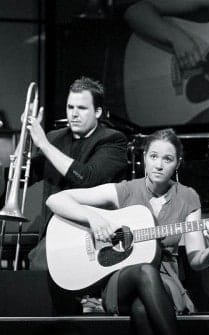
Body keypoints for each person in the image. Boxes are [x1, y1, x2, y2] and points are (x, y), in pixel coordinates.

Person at [45, 128, 209, 335]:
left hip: (166, 278)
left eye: (167, 159)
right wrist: (93, 218)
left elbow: (196, 260)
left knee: (141, 309)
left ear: (178, 163)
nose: (159, 165)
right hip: (121, 279)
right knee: (144, 271)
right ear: (144, 158)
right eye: (154, 156)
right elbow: (55, 200)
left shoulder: (187, 197)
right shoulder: (126, 190)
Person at [22, 76, 129, 314]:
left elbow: (88, 177)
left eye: (82, 108)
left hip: (92, 233)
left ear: (98, 111)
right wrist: (26, 140)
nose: (74, 114)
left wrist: (44, 145)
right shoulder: (54, 138)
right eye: (70, 107)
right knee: (38, 273)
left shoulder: (113, 141)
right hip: (54, 232)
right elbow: (25, 176)